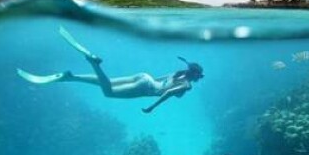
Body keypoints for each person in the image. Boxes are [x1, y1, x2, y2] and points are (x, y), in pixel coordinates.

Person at [17, 27, 204, 113]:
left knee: (106, 82)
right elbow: (167, 93)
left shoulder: (178, 72)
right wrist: (152, 107)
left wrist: (150, 84)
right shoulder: (186, 85)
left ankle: (71, 77)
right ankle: (94, 63)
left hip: (144, 77)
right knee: (109, 92)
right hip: (146, 89)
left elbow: (159, 78)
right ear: (196, 76)